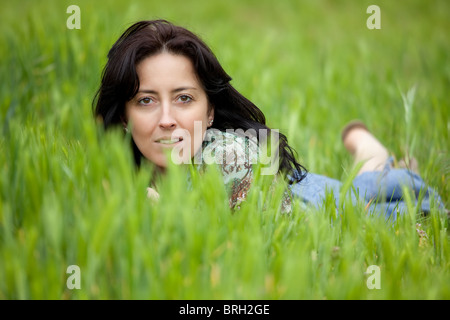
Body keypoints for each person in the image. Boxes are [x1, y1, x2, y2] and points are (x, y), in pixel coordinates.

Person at [93, 19, 445, 219]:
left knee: (379, 193)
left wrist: (168, 212)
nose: (167, 119)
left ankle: (369, 150)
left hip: (317, 204)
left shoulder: (229, 155)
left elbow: (241, 236)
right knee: (366, 180)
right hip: (296, 188)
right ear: (124, 116)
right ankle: (368, 152)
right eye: (146, 100)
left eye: (184, 98)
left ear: (210, 111)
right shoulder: (111, 174)